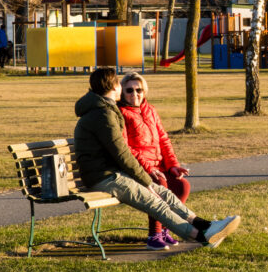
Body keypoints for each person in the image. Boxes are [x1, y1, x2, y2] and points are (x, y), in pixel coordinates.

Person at [74, 67, 240, 249]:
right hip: (104, 177)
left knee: (164, 194)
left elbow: (157, 140)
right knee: (155, 201)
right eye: (122, 86)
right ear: (114, 86)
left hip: (114, 173)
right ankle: (201, 237)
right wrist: (145, 181)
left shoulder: (105, 110)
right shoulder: (103, 114)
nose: (127, 91)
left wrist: (159, 173)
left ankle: (205, 225)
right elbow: (122, 153)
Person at [118, 72, 191, 249]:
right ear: (122, 92)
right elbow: (125, 147)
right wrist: (148, 167)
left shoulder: (150, 110)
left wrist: (173, 165)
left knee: (182, 186)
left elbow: (163, 139)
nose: (135, 94)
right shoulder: (121, 113)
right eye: (129, 90)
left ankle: (165, 229)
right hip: (138, 168)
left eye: (139, 90)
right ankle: (154, 235)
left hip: (159, 165)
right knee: (159, 184)